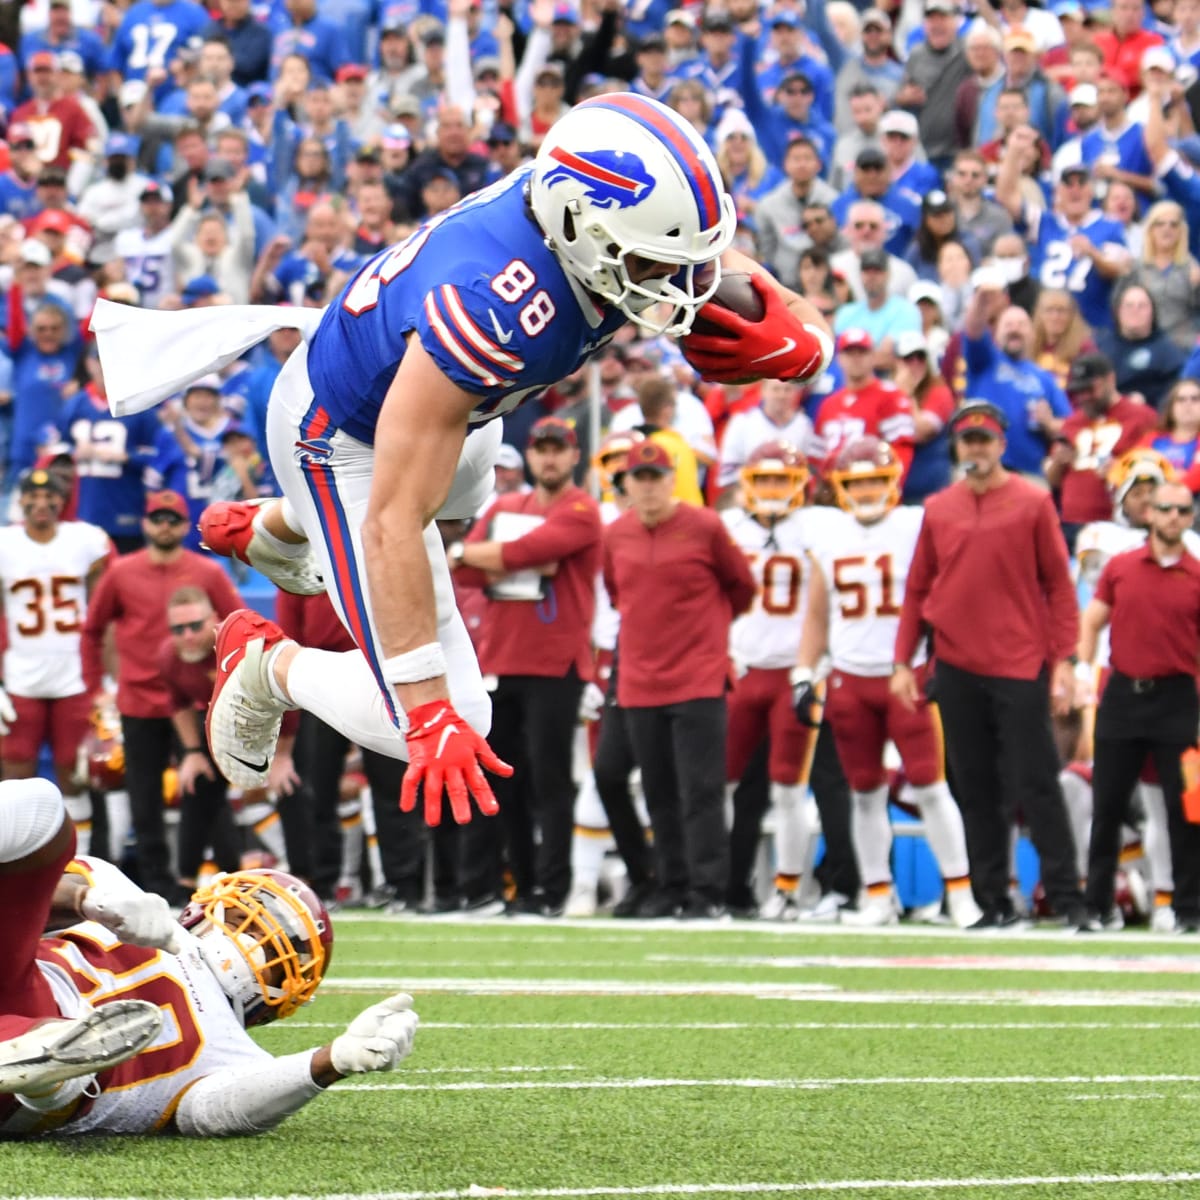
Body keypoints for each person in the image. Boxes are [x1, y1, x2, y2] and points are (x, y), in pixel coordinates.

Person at [95, 95, 833, 829]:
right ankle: (265, 664)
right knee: (458, 716)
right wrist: (425, 709)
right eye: (653, 262)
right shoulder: (489, 307)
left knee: (470, 480)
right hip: (342, 441)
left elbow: (713, 258)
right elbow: (391, 518)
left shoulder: (584, 213)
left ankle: (287, 527)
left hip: (452, 404)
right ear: (583, 230)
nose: (680, 285)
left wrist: (810, 337)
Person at [0, 780, 420, 1136]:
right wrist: (86, 899)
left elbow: (219, 1108)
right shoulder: (128, 897)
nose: (257, 940)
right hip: (21, 977)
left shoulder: (235, 1053)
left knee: (70, 1071)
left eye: (276, 951)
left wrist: (332, 1060)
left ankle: (40, 1055)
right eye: (249, 922)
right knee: (40, 806)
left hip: (41, 1083)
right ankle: (34, 1050)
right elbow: (25, 897)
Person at [891, 401, 1087, 929]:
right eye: (967, 440)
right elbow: (917, 588)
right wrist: (903, 659)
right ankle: (991, 899)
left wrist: (1065, 659)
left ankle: (1069, 898)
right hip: (955, 663)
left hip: (1020, 662)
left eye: (984, 439)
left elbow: (1058, 587)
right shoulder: (938, 507)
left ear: (1002, 444)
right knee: (975, 788)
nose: (975, 449)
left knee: (1037, 781)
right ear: (957, 446)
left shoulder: (1032, 502)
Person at [795, 438, 982, 929]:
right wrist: (803, 670)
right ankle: (877, 894)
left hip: (907, 677)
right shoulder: (828, 535)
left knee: (931, 786)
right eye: (857, 483)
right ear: (841, 487)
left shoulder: (916, 525)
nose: (868, 491)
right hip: (849, 678)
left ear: (894, 482)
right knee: (863, 793)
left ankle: (961, 894)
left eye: (876, 481)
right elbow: (818, 611)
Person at [449, 415, 602, 917]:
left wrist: (477, 551)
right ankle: (511, 886)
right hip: (501, 659)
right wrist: (492, 556)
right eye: (541, 448)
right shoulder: (509, 506)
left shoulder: (582, 508)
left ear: (574, 455)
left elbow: (537, 550)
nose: (549, 457)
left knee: (549, 782)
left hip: (556, 663)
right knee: (501, 781)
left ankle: (551, 890)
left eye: (558, 448)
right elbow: (472, 571)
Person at [603, 440, 757, 919]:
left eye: (656, 477)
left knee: (702, 790)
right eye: (639, 478)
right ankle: (669, 885)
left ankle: (707, 891)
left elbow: (742, 587)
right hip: (639, 680)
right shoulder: (616, 535)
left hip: (698, 677)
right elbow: (616, 592)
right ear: (626, 484)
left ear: (672, 480)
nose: (648, 487)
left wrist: (705, 636)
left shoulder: (706, 526)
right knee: (657, 791)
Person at [81, 490, 243, 903]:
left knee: (207, 791)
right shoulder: (121, 573)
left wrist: (226, 681)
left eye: (173, 519)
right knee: (143, 797)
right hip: (139, 699)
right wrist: (97, 685)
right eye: (158, 518)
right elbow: (92, 630)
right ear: (146, 523)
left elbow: (240, 623)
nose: (165, 526)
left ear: (184, 524)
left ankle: (225, 873)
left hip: (192, 699)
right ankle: (156, 885)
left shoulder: (206, 573)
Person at [1077, 479, 1200, 932]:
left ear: (1190, 518)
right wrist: (1080, 669)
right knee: (1106, 805)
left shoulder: (1197, 574)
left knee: (1186, 808)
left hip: (1177, 699)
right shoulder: (1122, 567)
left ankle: (1188, 909)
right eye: (1166, 509)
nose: (1173, 518)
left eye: (1182, 511)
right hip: (1124, 694)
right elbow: (1092, 620)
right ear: (1149, 513)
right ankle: (1097, 907)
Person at [722, 442, 819, 920]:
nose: (772, 490)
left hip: (792, 672)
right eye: (763, 480)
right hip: (741, 668)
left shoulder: (816, 530)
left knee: (786, 787)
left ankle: (786, 889)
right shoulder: (728, 528)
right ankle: (716, 883)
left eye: (781, 479)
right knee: (719, 782)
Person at [0, 468, 111, 856]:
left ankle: (77, 864)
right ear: (21, 501)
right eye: (33, 496)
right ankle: (16, 865)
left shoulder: (85, 540)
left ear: (63, 502)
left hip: (74, 676)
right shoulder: (5, 543)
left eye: (51, 498)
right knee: (13, 772)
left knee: (74, 770)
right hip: (19, 677)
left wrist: (107, 680)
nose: (42, 504)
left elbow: (104, 613)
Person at [1045, 351, 1159, 537]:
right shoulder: (1072, 422)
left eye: (1091, 389)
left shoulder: (1142, 417)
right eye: (1079, 391)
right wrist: (1058, 462)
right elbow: (1053, 479)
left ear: (1111, 380)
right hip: (1072, 523)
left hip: (1119, 523)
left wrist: (1122, 470)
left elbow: (1158, 469)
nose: (1085, 397)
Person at [1095, 283, 1186, 411]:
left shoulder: (1169, 351)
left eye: (1142, 306)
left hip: (1151, 416)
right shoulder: (1099, 345)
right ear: (1117, 311)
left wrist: (1146, 400)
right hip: (1105, 413)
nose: (1135, 310)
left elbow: (1174, 393)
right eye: (1129, 305)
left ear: (1153, 312)